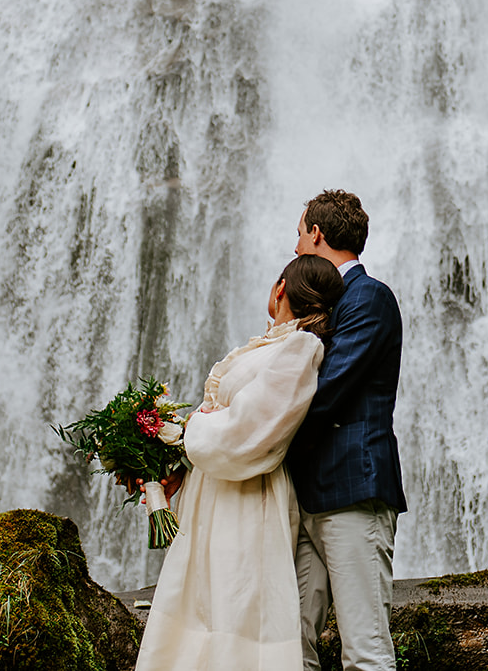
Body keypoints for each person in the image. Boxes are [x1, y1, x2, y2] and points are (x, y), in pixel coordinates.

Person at [134, 254, 346, 671]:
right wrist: (178, 458)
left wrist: (189, 432)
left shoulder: (300, 347)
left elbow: (253, 431)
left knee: (235, 604)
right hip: (213, 493)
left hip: (248, 500)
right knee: (197, 605)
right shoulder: (271, 343)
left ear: (281, 288)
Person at [287, 190, 408, 671]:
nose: (295, 247)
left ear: (316, 233)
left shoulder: (369, 297)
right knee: (288, 648)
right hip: (305, 498)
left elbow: (326, 391)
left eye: (299, 234)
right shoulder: (320, 302)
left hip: (353, 493)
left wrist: (241, 430)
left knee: (365, 652)